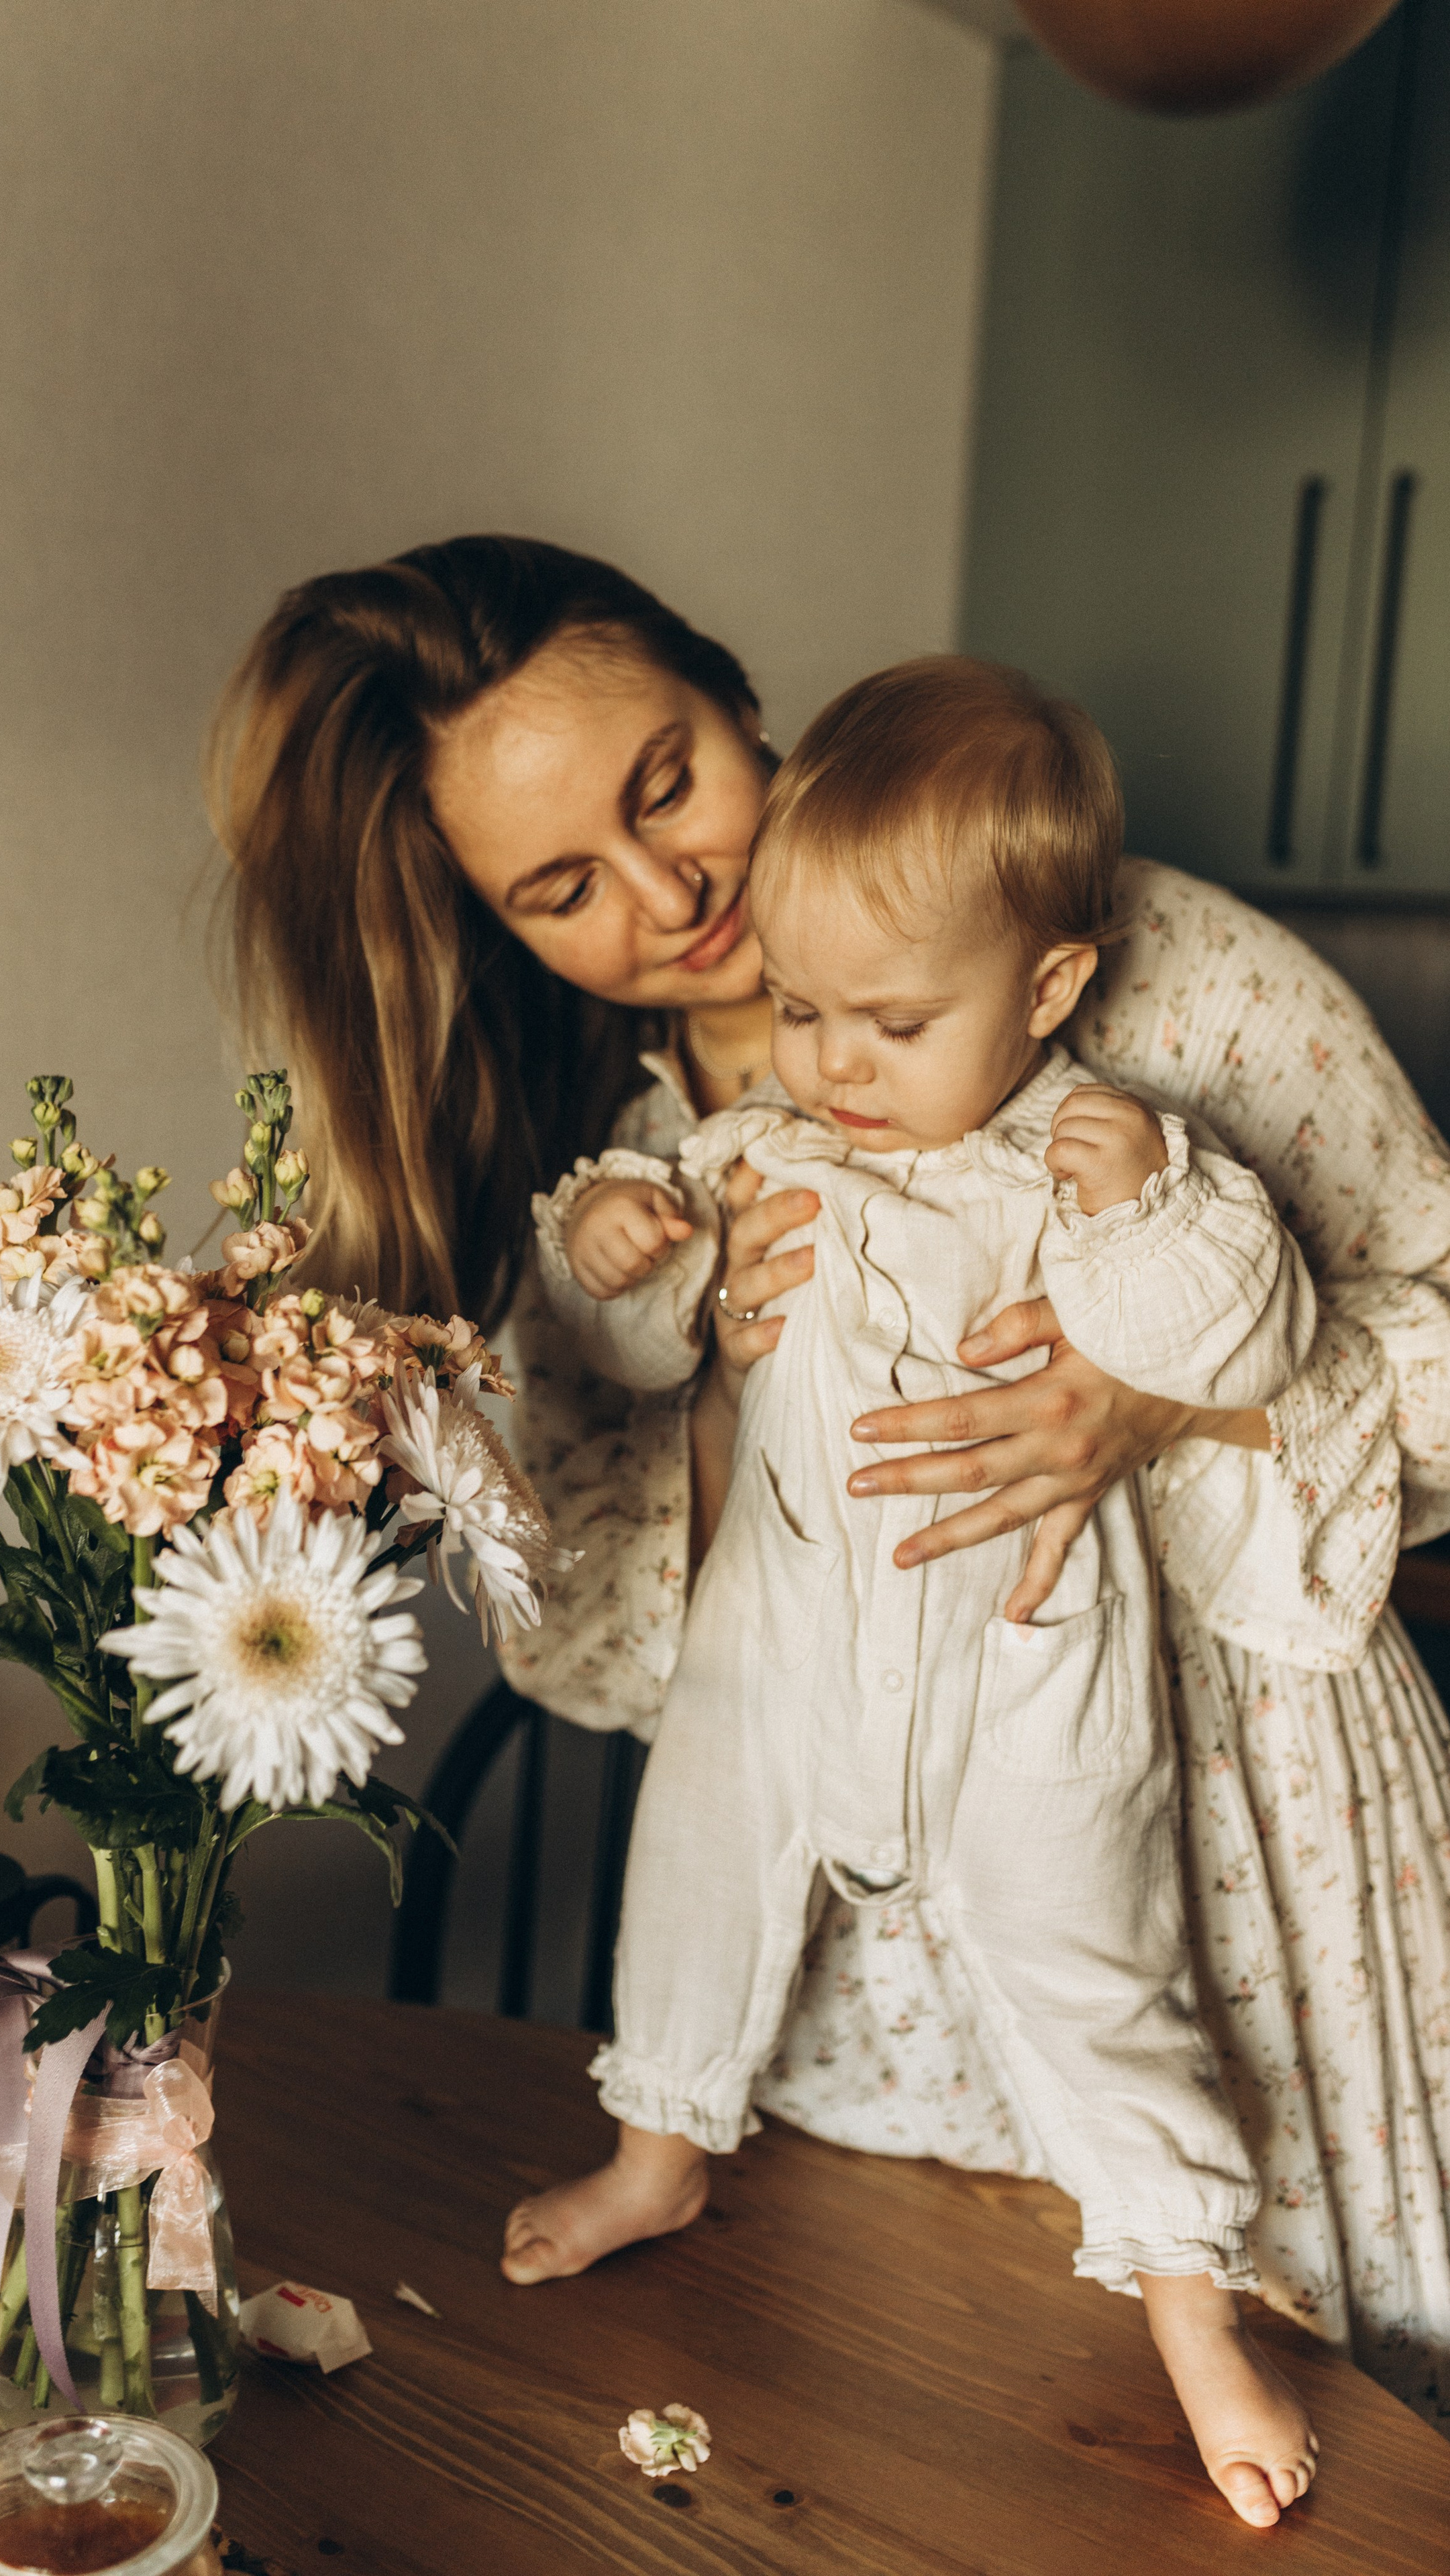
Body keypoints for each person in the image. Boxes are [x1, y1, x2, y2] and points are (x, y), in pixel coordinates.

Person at [209, 534, 1450, 2432]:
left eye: (670, 782)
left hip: (1251, 1847)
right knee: (936, 2434)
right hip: (880, 1932)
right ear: (502, 932)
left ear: (737, 694)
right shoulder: (643, 1159)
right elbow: (620, 1619)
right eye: (565, 887)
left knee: (1335, 2448)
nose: (674, 888)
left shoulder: (1161, 966)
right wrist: (712, 1388)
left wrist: (1157, 1400)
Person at [533, 656, 1323, 2525]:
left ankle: (1195, 2306)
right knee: (695, 1879)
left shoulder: (1092, 1159)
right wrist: (616, 1243)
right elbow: (623, 1343)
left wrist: (1150, 1213)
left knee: (1095, 1977)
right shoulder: (759, 1154)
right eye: (799, 1013)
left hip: (1032, 1672)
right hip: (782, 1644)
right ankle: (659, 2146)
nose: (836, 1065)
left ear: (1050, 990)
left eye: (889, 1021)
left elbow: (1258, 1333)